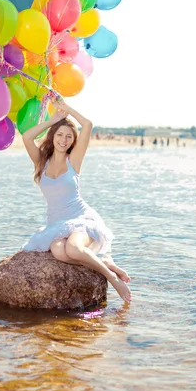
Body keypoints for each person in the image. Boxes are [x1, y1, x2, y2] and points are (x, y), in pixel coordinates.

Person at [22, 100, 131, 303]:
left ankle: (113, 279)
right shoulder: (41, 162)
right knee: (58, 250)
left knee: (72, 249)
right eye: (60, 135)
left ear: (73, 141)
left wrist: (68, 111)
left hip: (81, 218)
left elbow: (87, 124)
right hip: (56, 224)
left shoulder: (74, 160)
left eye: (69, 137)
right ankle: (104, 262)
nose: (63, 140)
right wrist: (53, 120)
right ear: (53, 136)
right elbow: (27, 136)